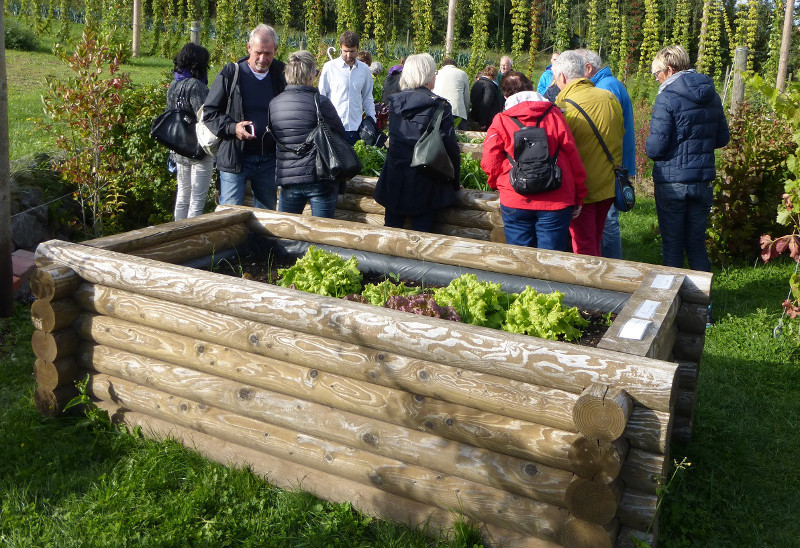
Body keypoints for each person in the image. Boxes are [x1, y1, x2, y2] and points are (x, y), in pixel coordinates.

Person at [646, 45, 729, 272]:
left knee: (672, 246)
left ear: (670, 70)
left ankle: (673, 302)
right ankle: (703, 303)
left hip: (673, 181)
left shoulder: (667, 97)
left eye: (657, 74)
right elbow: (722, 137)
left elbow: (655, 148)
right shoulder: (711, 94)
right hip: (702, 180)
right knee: (696, 244)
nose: (656, 79)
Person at [481, 72, 587, 250]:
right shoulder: (554, 114)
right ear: (531, 87)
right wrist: (579, 195)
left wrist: (497, 183)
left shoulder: (501, 120)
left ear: (505, 95)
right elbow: (572, 155)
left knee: (521, 258)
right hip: (556, 198)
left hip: (515, 195)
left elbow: (489, 160)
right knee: (551, 260)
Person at [374, 53, 461, 232]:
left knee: (390, 234)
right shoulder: (440, 107)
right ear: (428, 76)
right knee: (421, 239)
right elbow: (451, 148)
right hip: (426, 180)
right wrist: (454, 182)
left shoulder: (396, 103)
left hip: (394, 178)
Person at [202, 24, 286, 209]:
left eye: (268, 53)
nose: (263, 59)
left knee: (267, 217)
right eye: (258, 52)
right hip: (235, 156)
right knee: (229, 214)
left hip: (269, 158)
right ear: (248, 48)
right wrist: (233, 128)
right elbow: (210, 113)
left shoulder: (281, 75)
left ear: (276, 50)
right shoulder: (232, 74)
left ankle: (259, 240)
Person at [552, 50, 624, 257]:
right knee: (596, 240)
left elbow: (562, 151)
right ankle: (603, 283)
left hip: (582, 190)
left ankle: (590, 288)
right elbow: (620, 135)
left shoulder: (564, 106)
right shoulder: (609, 98)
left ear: (562, 77)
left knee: (583, 247)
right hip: (609, 185)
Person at [268, 51, 347, 218]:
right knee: (322, 234)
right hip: (319, 177)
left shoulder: (274, 104)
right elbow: (340, 134)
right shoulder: (320, 102)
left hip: (288, 178)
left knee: (287, 232)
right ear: (311, 75)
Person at [578, 49, 636, 260]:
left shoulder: (605, 88)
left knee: (609, 220)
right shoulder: (609, 84)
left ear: (589, 68)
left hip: (609, 166)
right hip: (615, 162)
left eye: (579, 68)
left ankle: (612, 265)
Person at [167, 43, 212, 220]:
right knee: (197, 200)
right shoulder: (197, 86)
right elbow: (206, 117)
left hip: (179, 147)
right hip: (198, 149)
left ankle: (177, 234)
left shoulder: (173, 85)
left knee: (182, 197)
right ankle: (191, 240)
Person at [318, 30, 377, 146]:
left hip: (356, 128)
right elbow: (321, 97)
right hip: (334, 127)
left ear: (358, 48)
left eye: (352, 51)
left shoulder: (364, 70)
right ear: (340, 47)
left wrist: (372, 120)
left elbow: (367, 97)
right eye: (345, 51)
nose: (349, 55)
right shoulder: (329, 68)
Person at [432, 59, 470, 129]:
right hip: (457, 112)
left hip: (438, 111)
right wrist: (466, 113)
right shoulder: (462, 74)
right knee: (458, 137)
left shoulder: (436, 73)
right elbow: (466, 97)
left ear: (442, 66)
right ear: (455, 66)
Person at [469, 65, 503, 130]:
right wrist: (483, 123)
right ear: (494, 76)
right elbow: (486, 104)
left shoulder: (477, 83)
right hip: (486, 121)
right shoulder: (490, 86)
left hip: (474, 117)